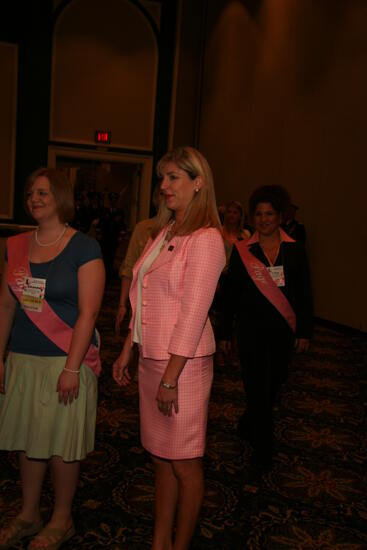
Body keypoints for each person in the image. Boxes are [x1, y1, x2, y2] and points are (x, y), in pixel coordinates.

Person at [113, 146, 225, 550]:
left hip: (183, 366)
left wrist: (171, 378)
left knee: (185, 462)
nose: (163, 186)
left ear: (198, 183)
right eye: (163, 178)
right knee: (160, 457)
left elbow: (193, 314)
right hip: (152, 358)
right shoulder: (164, 233)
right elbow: (143, 297)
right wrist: (129, 346)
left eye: (173, 177)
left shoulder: (207, 238)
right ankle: (160, 541)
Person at [0, 168, 105, 549]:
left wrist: (72, 367)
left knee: (62, 444)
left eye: (43, 192)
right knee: (28, 440)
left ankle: (62, 519)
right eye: (30, 193)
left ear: (60, 197)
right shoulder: (15, 246)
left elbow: (89, 313)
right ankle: (29, 514)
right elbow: (5, 306)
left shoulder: (84, 247)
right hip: (24, 359)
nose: (34, 199)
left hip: (66, 361)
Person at [219, 185, 313, 479]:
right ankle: (263, 445)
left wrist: (304, 331)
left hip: (283, 332)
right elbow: (230, 294)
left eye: (269, 214)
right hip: (250, 331)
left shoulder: (294, 249)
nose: (263, 219)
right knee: (255, 383)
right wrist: (224, 332)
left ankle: (250, 419)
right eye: (258, 214)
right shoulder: (243, 250)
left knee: (272, 385)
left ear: (279, 216)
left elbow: (304, 292)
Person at [114, 185, 161, 334]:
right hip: (141, 302)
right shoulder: (143, 228)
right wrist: (122, 304)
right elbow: (129, 267)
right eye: (161, 194)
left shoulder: (183, 231)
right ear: (155, 199)